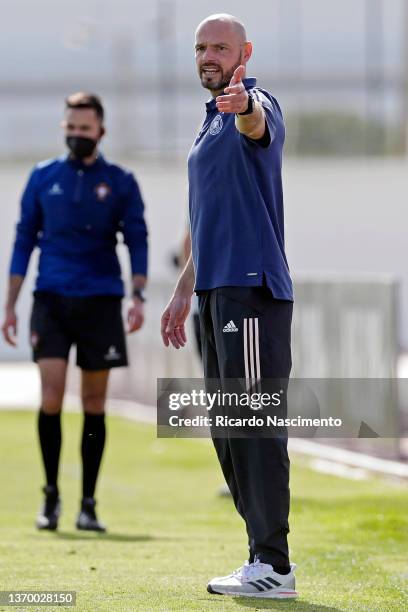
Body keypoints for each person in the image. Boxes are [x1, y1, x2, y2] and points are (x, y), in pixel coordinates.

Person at [161, 14, 297, 599]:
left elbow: (256, 124)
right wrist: (184, 285)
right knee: (227, 429)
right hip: (215, 288)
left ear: (244, 52)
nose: (208, 55)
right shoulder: (206, 124)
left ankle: (275, 564)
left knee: (253, 426)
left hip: (250, 289)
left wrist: (244, 104)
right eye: (200, 47)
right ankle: (259, 558)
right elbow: (208, 218)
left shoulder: (251, 102)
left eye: (219, 46)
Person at [2, 93, 148, 532]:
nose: (77, 136)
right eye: (71, 128)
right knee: (50, 397)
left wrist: (136, 294)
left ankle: (88, 502)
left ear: (100, 131)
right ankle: (50, 497)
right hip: (51, 299)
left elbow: (137, 238)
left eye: (84, 129)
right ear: (63, 129)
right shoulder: (43, 177)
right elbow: (24, 238)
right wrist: (10, 304)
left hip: (101, 300)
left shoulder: (120, 181)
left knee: (93, 403)